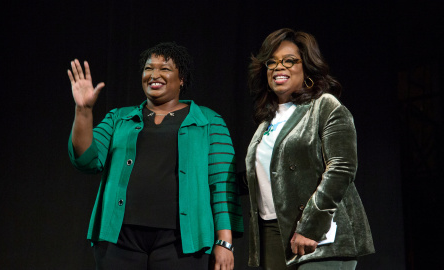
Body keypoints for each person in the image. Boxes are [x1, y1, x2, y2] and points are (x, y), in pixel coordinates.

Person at [67, 42, 243, 270]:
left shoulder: (209, 122)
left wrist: (224, 242)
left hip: (182, 242)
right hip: (119, 239)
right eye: (149, 68)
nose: (154, 75)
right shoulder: (119, 119)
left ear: (182, 79)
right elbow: (86, 160)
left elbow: (223, 186)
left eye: (165, 69)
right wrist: (83, 111)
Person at [244, 28, 375, 269]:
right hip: (272, 234)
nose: (278, 67)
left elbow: (341, 169)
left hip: (320, 237)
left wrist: (311, 226)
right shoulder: (267, 121)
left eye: (289, 61)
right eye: (271, 63)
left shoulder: (325, 106)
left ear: (307, 67)